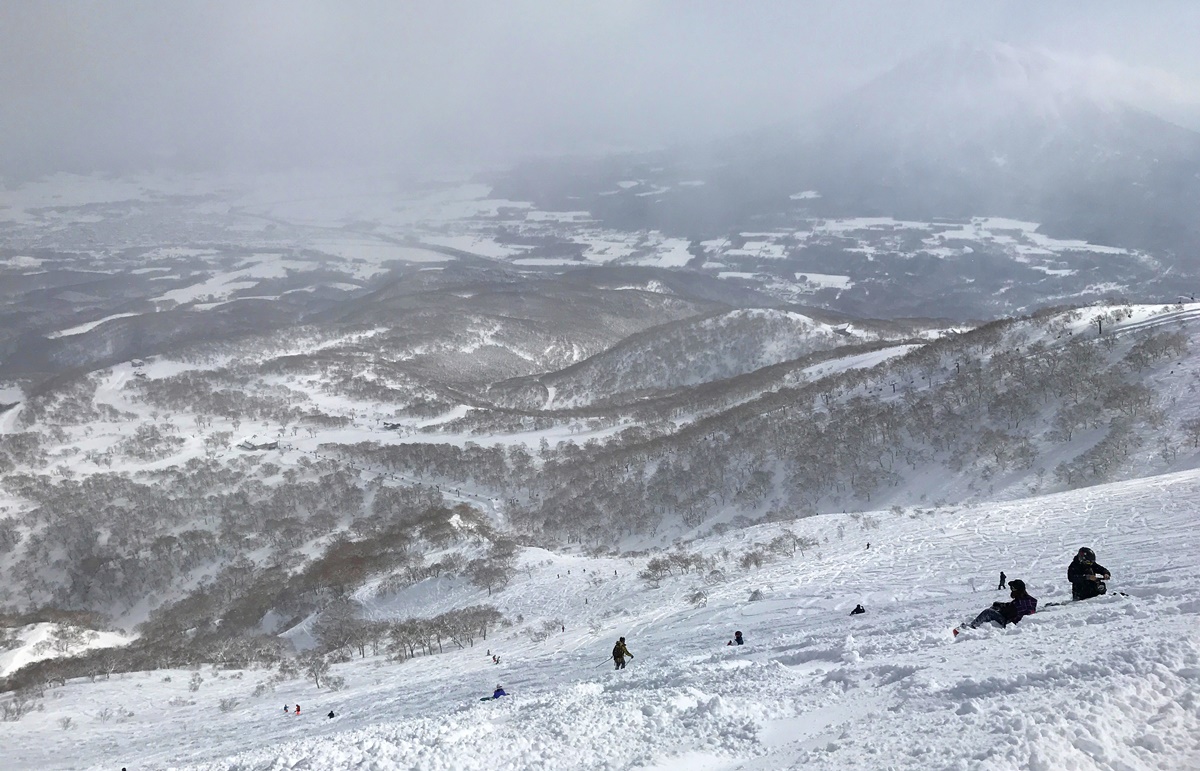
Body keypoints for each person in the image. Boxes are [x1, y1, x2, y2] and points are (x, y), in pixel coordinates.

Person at [960, 579, 1037, 632]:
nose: (1011, 590)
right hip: (1017, 617)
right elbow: (1012, 606)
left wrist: (999, 607)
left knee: (988, 612)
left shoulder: (1017, 604)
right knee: (996, 607)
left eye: (1012, 589)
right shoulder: (1031, 600)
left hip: (1009, 622)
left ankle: (972, 627)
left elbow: (1006, 612)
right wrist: (1001, 605)